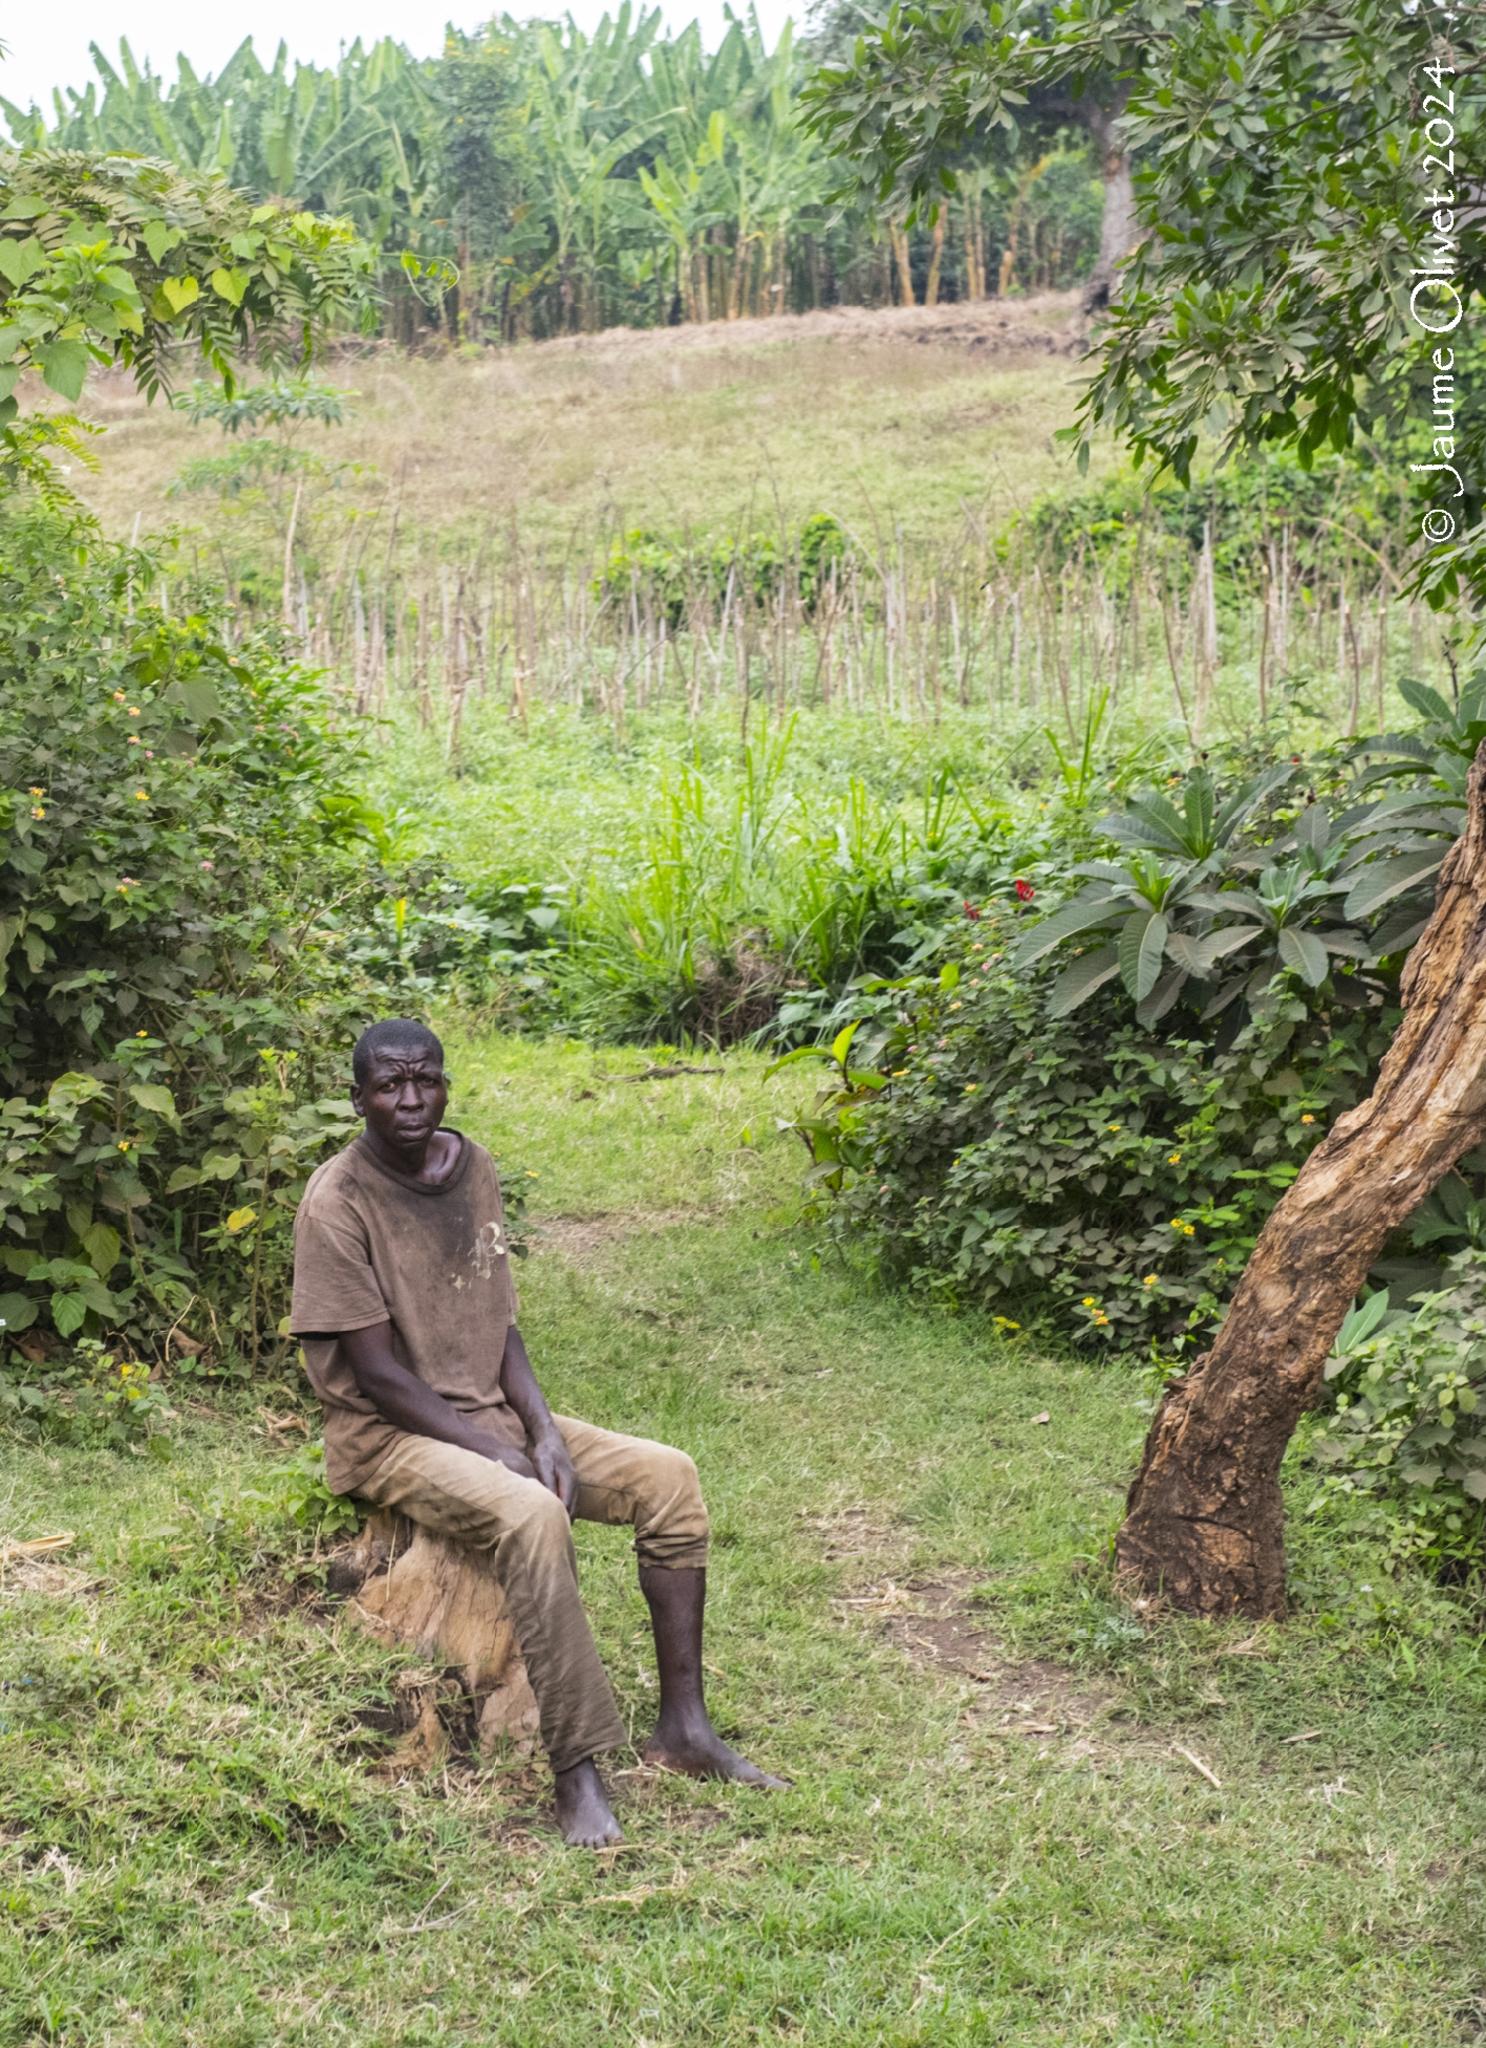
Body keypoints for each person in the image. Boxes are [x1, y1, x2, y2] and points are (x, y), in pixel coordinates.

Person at [289, 1017, 785, 1847]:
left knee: (671, 1478)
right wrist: (496, 1452)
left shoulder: (472, 1165)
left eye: (426, 1081)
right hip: (388, 1435)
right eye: (389, 1085)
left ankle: (684, 1731)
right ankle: (577, 1767)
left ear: (446, 1084)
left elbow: (501, 1324)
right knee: (532, 1512)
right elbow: (376, 1375)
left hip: (489, 1411)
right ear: (358, 1099)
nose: (410, 1100)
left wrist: (542, 1430)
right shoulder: (336, 1200)